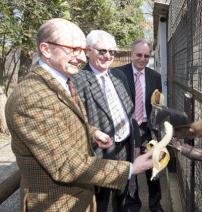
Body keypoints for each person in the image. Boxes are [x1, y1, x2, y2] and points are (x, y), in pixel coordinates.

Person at [5, 18, 153, 212]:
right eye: (73, 49)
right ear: (46, 49)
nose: (82, 57)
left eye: (82, 50)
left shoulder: (63, 81)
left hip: (81, 194)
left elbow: (64, 119)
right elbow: (65, 165)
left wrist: (91, 132)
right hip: (56, 202)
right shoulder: (31, 97)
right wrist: (131, 169)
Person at [71, 30, 141, 212]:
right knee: (100, 201)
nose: (108, 56)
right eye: (102, 51)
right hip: (99, 151)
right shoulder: (77, 80)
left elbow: (130, 114)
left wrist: (136, 144)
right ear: (88, 51)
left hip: (125, 147)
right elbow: (74, 121)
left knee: (124, 196)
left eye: (112, 52)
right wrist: (93, 135)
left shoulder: (119, 76)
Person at [117, 39, 164, 212]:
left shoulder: (155, 77)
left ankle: (155, 204)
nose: (142, 59)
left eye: (146, 56)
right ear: (131, 54)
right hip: (126, 130)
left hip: (145, 129)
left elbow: (157, 105)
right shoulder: (117, 74)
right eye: (139, 55)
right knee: (130, 167)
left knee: (154, 169)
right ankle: (132, 204)